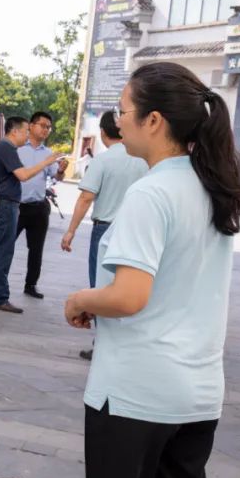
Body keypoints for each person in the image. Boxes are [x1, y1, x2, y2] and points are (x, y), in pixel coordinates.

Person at [63, 62, 240, 478]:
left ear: (154, 120)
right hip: (197, 391)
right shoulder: (211, 184)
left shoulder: (152, 192)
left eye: (124, 111)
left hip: (135, 395)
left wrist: (81, 299)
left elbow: (128, 296)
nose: (118, 120)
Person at [60, 110, 147, 360]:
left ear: (102, 132)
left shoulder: (103, 160)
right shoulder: (143, 159)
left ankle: (103, 344)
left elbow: (86, 197)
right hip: (136, 228)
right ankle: (126, 343)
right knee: (129, 287)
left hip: (105, 229)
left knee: (102, 287)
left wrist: (71, 230)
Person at [0, 117, 63, 313]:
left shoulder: (5, 148)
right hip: (5, 205)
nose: (28, 135)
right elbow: (23, 175)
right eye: (26, 131)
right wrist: (46, 162)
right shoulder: (7, 148)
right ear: (15, 132)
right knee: (2, 251)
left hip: (7, 204)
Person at [15, 111, 69, 299]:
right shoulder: (17, 148)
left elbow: (56, 177)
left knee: (36, 249)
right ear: (31, 126)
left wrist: (60, 171)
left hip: (38, 207)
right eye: (43, 125)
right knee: (5, 246)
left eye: (49, 127)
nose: (46, 130)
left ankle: (31, 285)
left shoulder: (48, 154)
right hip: (16, 207)